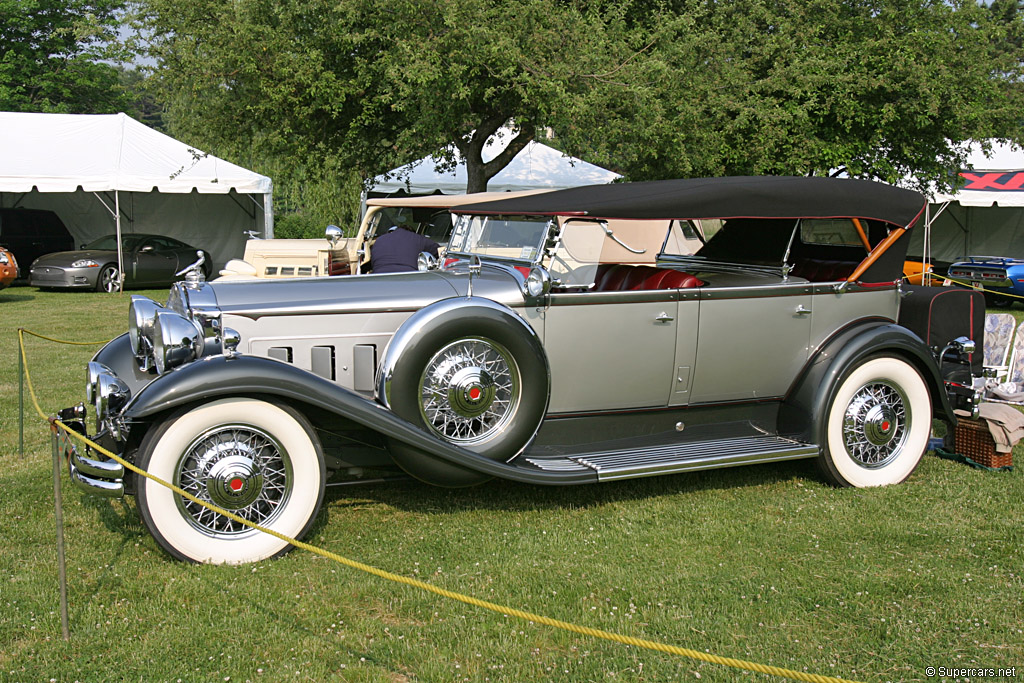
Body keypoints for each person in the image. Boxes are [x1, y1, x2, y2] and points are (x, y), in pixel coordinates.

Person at [368, 225, 440, 273]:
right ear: (412, 232)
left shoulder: (379, 240)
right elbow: (439, 251)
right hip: (407, 276)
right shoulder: (417, 238)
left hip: (379, 275)